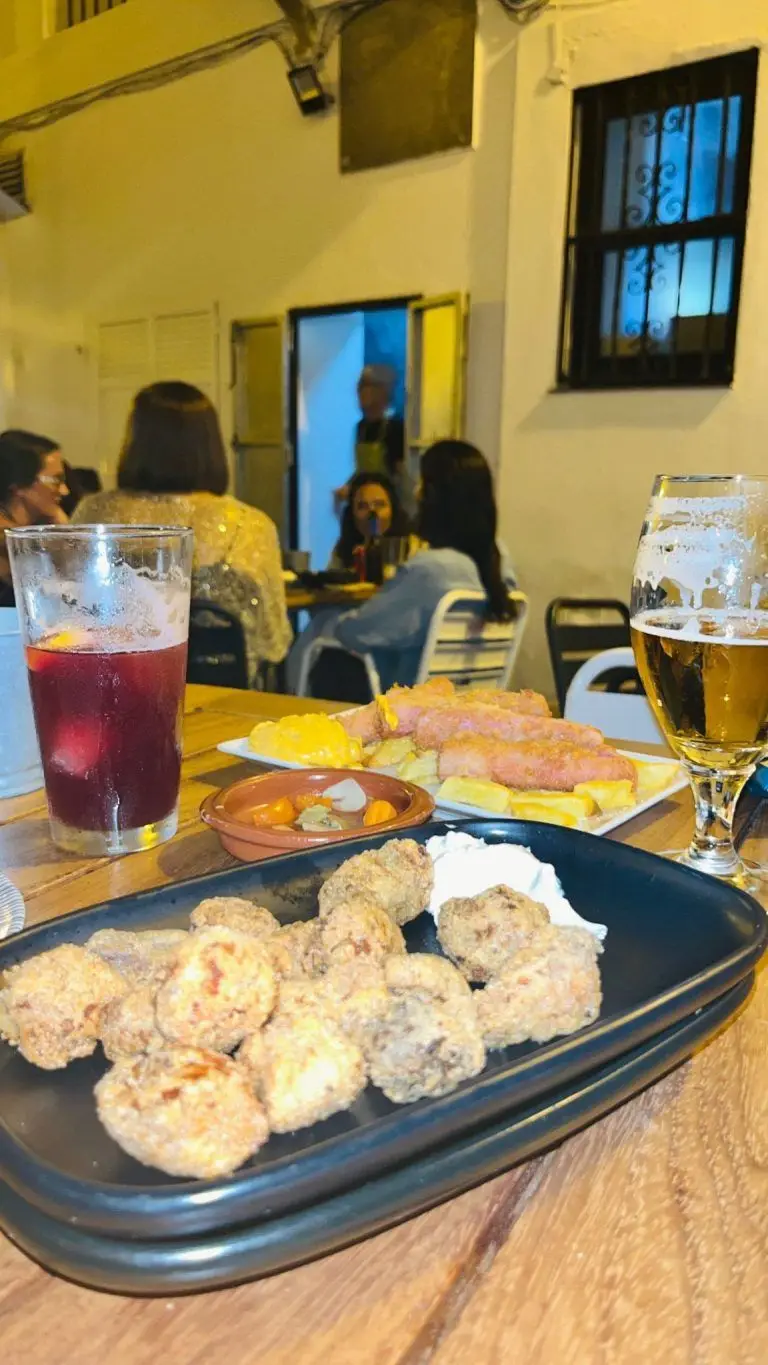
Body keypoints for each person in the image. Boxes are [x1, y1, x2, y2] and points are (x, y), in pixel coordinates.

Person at [73, 382, 291, 683]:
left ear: (137, 440)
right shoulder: (249, 523)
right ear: (210, 442)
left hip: (113, 683)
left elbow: (68, 615)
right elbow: (273, 641)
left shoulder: (94, 513)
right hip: (222, 689)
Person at [289, 439, 513, 695]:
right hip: (472, 699)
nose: (416, 492)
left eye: (423, 484)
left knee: (327, 642)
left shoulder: (430, 570)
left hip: (408, 700)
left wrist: (332, 621)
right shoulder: (500, 563)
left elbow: (360, 631)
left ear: (437, 499)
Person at [0, 429, 69, 607]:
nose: (64, 491)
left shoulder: (37, 532)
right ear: (19, 485)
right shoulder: (11, 543)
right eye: (55, 481)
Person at [329, 471, 411, 571]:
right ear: (351, 514)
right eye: (363, 506)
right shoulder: (342, 552)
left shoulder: (414, 548)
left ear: (393, 509)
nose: (372, 512)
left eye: (380, 504)